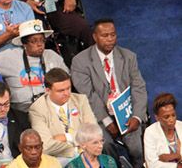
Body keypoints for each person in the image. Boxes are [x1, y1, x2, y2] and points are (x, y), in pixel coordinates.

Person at [71, 18, 147, 167]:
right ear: (95, 37)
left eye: (113, 35)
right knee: (104, 147)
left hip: (127, 112)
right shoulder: (80, 61)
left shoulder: (128, 57)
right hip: (100, 115)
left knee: (137, 148)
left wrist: (137, 117)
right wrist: (107, 121)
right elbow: (88, 96)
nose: (110, 39)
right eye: (105, 36)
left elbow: (139, 87)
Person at [0, 19, 68, 112]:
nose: (40, 44)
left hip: (52, 106)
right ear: (24, 43)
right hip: (24, 109)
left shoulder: (52, 56)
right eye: (34, 41)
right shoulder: (9, 57)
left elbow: (66, 81)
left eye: (42, 40)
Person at [29, 68, 97, 165]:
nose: (66, 93)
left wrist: (67, 137)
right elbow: (45, 146)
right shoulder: (37, 109)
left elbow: (93, 134)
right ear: (48, 90)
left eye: (68, 88)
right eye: (61, 90)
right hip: (59, 158)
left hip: (87, 152)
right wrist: (76, 150)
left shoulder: (80, 100)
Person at [144, 93, 182, 167]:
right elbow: (152, 165)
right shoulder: (150, 132)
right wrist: (177, 166)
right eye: (166, 117)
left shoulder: (181, 126)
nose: (171, 120)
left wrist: (173, 157)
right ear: (157, 118)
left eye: (173, 115)